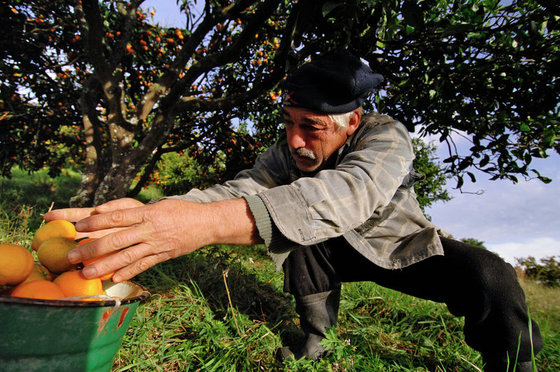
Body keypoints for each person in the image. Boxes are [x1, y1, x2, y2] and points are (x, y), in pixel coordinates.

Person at [45, 50, 542, 371]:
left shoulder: (386, 138)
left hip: (396, 250)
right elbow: (238, 190)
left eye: (312, 127)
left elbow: (346, 193)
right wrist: (159, 213)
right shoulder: (286, 155)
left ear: (352, 123)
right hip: (330, 253)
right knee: (297, 231)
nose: (296, 141)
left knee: (489, 274)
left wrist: (201, 228)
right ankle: (316, 340)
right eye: (288, 123)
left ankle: (516, 365)